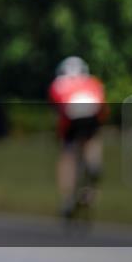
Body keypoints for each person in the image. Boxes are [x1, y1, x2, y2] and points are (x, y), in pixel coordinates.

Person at [48, 55, 106, 218]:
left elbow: (60, 114)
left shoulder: (57, 84)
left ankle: (67, 198)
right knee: (92, 141)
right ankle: (93, 164)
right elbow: (102, 109)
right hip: (91, 112)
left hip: (71, 114)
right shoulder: (93, 82)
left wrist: (61, 135)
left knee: (67, 154)